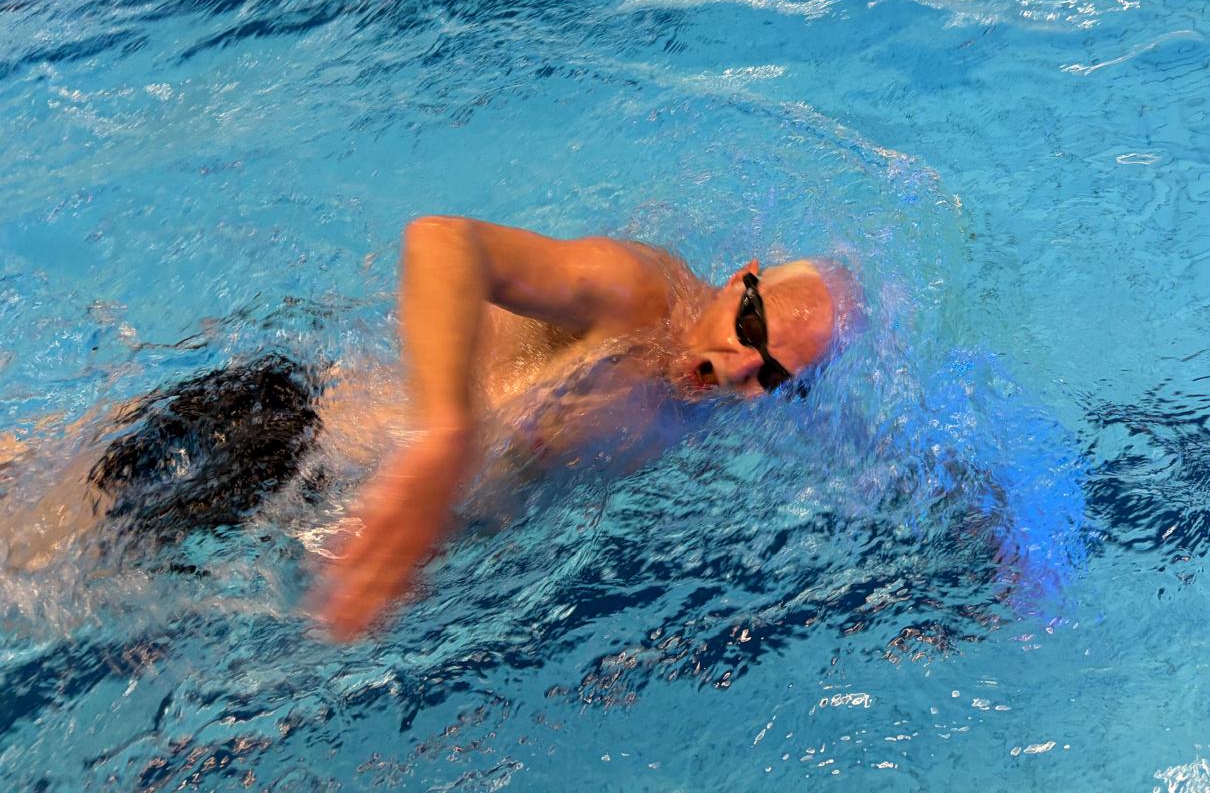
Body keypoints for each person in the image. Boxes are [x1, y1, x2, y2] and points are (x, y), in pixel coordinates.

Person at [0, 216, 855, 641]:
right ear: (739, 279)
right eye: (750, 329)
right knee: (21, 572)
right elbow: (444, 242)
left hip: (319, 526)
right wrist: (447, 435)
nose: (738, 369)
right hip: (276, 446)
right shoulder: (636, 295)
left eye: (773, 375)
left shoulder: (708, 404)